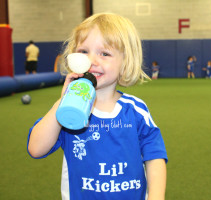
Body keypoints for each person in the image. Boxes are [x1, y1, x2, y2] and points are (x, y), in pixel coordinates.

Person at [27, 13, 168, 200]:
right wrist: (62, 104)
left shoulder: (135, 110)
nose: (92, 61)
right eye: (84, 51)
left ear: (125, 63)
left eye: (105, 53)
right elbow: (36, 149)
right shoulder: (69, 110)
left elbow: (155, 157)